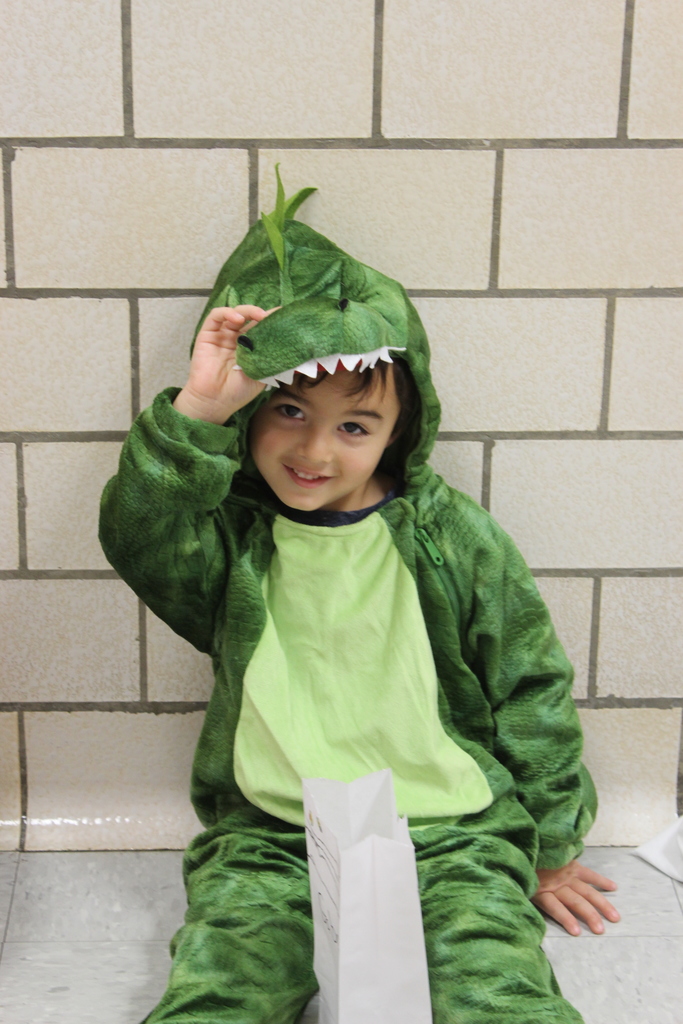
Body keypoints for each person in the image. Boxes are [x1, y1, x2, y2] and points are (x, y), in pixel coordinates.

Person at [99, 168, 619, 1024]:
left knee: (494, 994)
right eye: (288, 412)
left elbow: (529, 686)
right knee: (220, 991)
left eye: (354, 425)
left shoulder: (453, 537)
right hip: (272, 836)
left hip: (452, 831)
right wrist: (199, 410)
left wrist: (552, 845)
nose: (315, 452)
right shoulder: (231, 540)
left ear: (397, 433)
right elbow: (137, 533)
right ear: (252, 414)